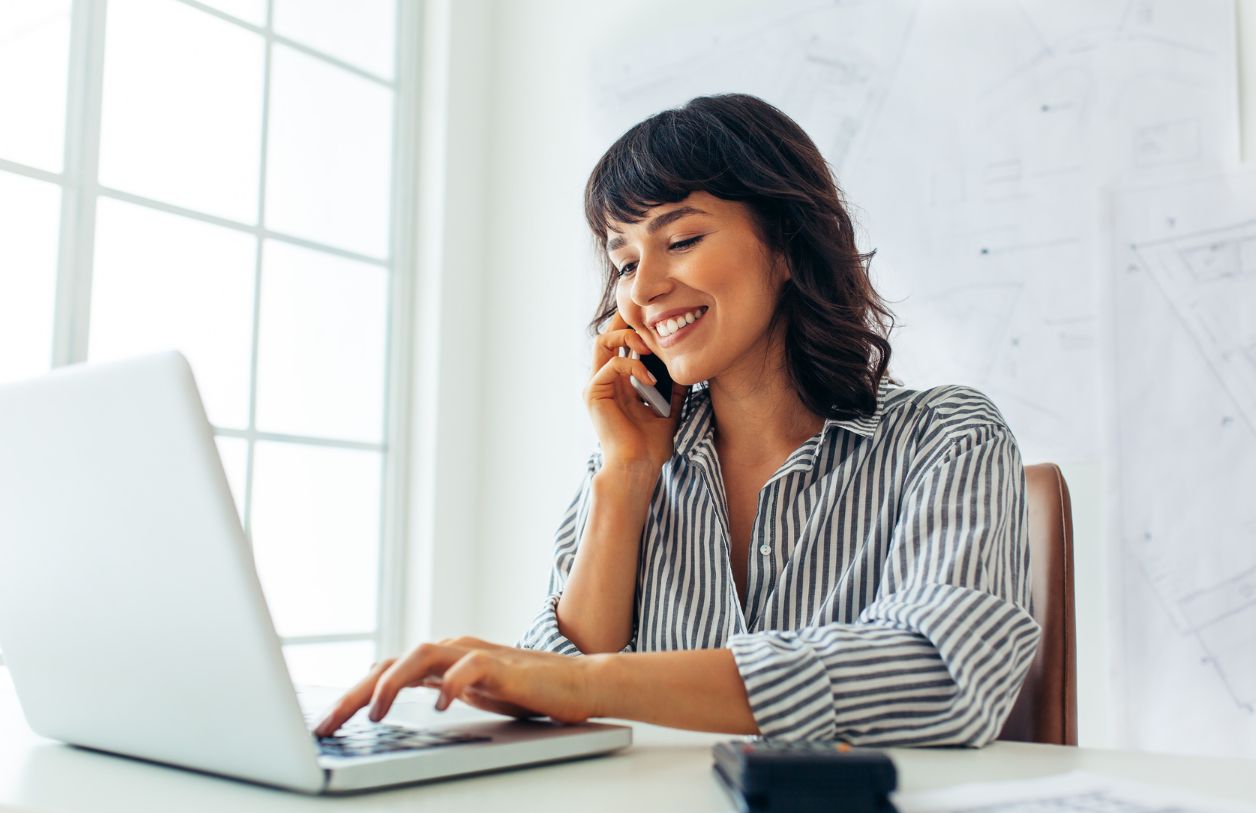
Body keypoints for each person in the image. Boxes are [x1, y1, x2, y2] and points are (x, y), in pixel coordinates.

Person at [315, 93, 1039, 747]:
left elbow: (945, 675)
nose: (647, 288)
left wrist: (583, 685)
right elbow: (552, 688)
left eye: (682, 240)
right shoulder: (633, 465)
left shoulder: (947, 437)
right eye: (624, 262)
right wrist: (626, 476)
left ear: (786, 244)